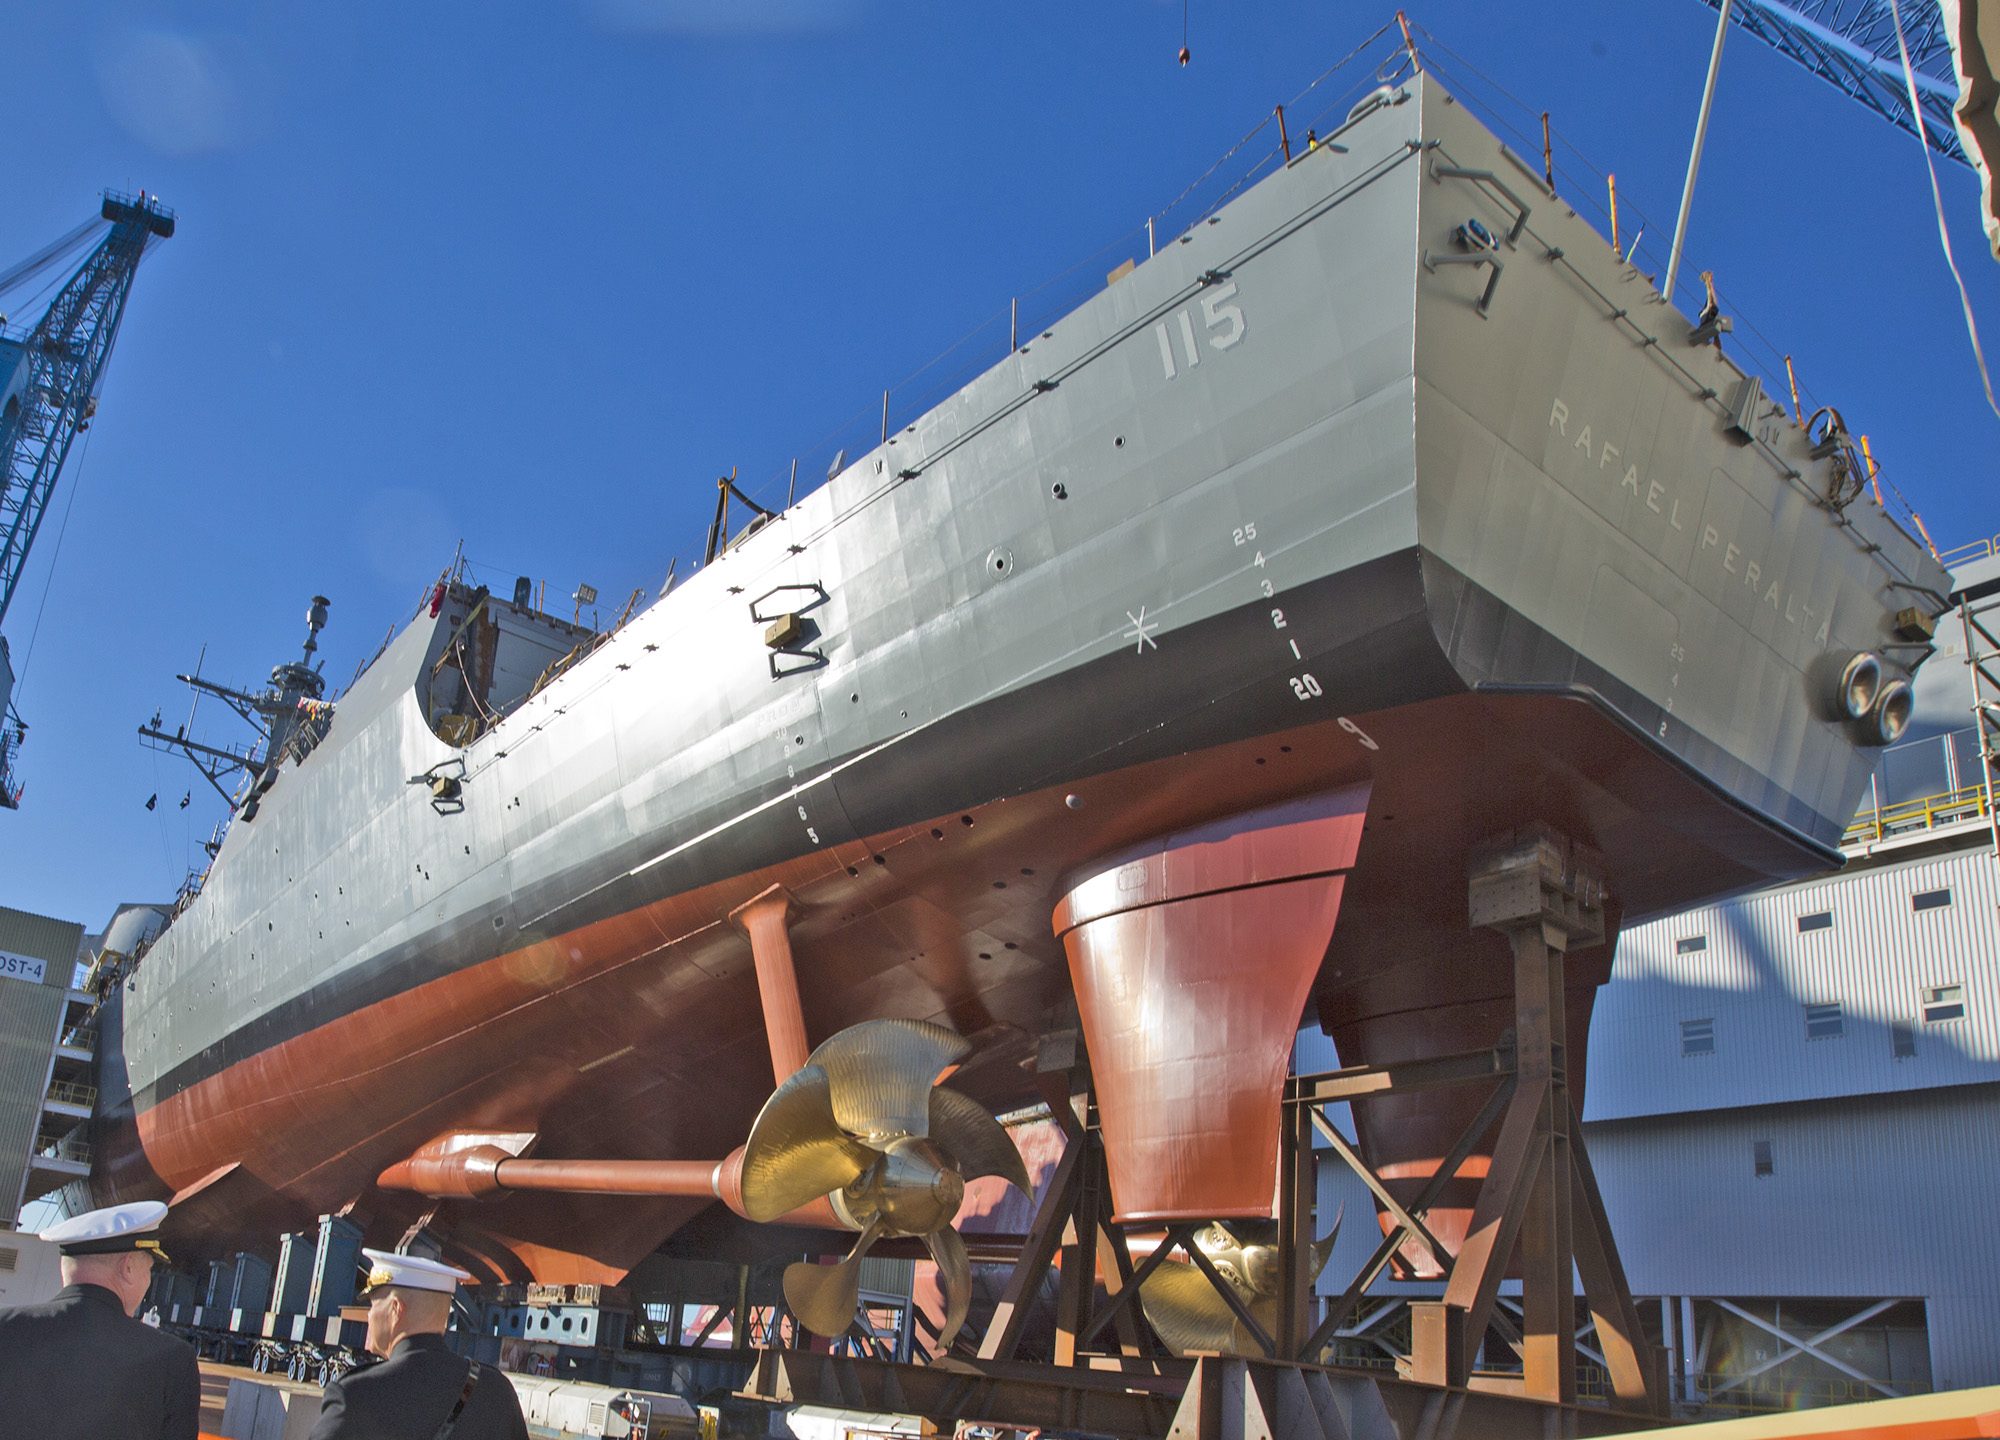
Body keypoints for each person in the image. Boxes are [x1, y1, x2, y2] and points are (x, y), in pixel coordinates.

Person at [0, 1200, 200, 1440]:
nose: (148, 1282)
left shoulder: (6, 1328)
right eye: (148, 1271)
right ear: (127, 1268)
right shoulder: (173, 1359)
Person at [310, 1249, 527, 1440]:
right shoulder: (496, 1391)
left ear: (396, 1310)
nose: (369, 1316)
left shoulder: (356, 1396)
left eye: (373, 1304)